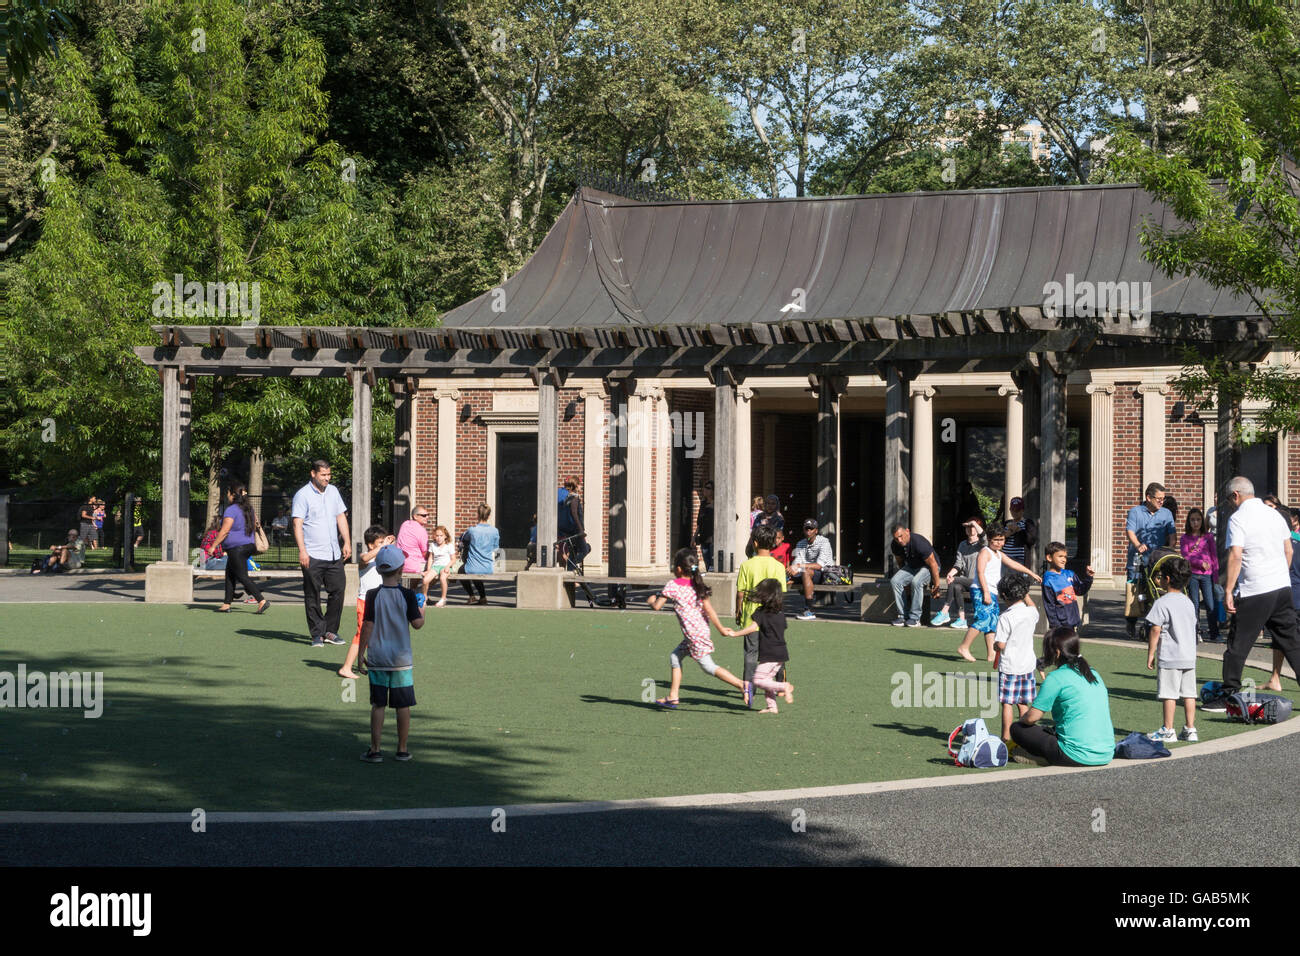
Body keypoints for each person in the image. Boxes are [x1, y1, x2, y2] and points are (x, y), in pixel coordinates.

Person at [1203, 477, 1300, 711]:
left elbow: (1236, 555)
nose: (1230, 504)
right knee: (1293, 643)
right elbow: (1288, 550)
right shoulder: (1275, 514)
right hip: (1281, 588)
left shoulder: (1238, 518)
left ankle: (1228, 695)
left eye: (1229, 500)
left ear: (1235, 495)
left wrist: (1228, 590)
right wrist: (1278, 574)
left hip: (1255, 589)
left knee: (1238, 644)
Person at [650, 548, 747, 708]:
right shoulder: (698, 585)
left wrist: (651, 600)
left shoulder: (673, 585)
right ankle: (673, 696)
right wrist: (721, 629)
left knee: (708, 667)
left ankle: (742, 685)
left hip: (694, 635)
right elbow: (709, 610)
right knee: (675, 657)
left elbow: (657, 606)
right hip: (699, 632)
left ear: (679, 569)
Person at [1010, 626, 1115, 767]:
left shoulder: (1055, 678)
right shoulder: (1094, 674)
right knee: (1051, 729)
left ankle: (1044, 758)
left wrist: (1023, 718)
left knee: (1017, 729)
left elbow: (1032, 718)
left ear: (1057, 653)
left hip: (1074, 755)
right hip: (1106, 753)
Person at [358, 544, 425, 762]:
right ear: (401, 569)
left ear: (378, 569)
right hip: (401, 660)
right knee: (402, 705)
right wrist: (422, 607)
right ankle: (402, 749)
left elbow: (367, 625)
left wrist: (360, 654)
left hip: (378, 657)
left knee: (378, 704)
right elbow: (417, 624)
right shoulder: (407, 595)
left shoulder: (372, 595)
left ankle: (375, 749)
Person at [957, 527, 1041, 662]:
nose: (999, 543)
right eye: (996, 540)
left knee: (992, 622)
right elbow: (980, 572)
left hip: (992, 591)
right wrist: (985, 592)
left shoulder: (999, 554)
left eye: (1002, 540)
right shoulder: (985, 552)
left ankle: (991, 653)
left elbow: (1013, 564)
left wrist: (1031, 573)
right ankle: (964, 647)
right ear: (989, 540)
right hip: (981, 590)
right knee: (983, 619)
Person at [292, 460, 351, 648]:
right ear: (313, 474)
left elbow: (340, 516)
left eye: (328, 475)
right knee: (312, 594)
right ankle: (317, 634)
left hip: (333, 554)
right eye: (323, 475)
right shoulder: (302, 495)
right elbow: (297, 524)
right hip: (312, 554)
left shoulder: (333, 491)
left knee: (338, 591)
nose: (327, 478)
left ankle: (330, 631)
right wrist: (302, 551)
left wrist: (347, 541)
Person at [1143, 556, 1199, 743]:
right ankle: (1190, 729)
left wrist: (1151, 653)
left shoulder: (1162, 602)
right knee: (1189, 693)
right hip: (1189, 656)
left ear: (1166, 579)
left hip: (1170, 656)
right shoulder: (1189, 602)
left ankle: (1168, 729)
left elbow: (1155, 629)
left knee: (1169, 694)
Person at [735, 525, 787, 704]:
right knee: (775, 649)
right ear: (773, 543)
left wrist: (738, 610)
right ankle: (780, 682)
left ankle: (748, 689)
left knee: (750, 653)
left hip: (751, 616)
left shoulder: (746, 565)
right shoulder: (779, 566)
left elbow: (741, 593)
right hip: (773, 616)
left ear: (755, 543)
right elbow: (781, 593)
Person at [729, 578, 794, 714]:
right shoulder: (780, 613)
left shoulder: (761, 612)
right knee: (767, 680)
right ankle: (772, 707)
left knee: (758, 680)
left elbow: (753, 628)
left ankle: (784, 686)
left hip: (770, 654)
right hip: (781, 654)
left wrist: (735, 634)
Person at [1124, 482, 1176, 639]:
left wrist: (1170, 550)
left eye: (1163, 498)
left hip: (1157, 561)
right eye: (1158, 498)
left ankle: (1152, 626)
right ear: (1148, 497)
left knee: (1155, 593)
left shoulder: (1166, 513)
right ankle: (1131, 621)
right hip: (1137, 560)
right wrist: (1138, 545)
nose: (1161, 501)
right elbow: (1130, 531)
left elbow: (1172, 535)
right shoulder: (1135, 512)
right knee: (1134, 592)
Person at [994, 573, 1040, 748]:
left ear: (1004, 596)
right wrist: (1025, 592)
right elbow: (1032, 604)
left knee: (1007, 703)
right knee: (1023, 702)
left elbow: (1001, 644)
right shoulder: (1031, 613)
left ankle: (1006, 738)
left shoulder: (1005, 617)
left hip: (1010, 667)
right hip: (1028, 665)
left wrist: (995, 648)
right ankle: (1027, 737)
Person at [210, 481, 269, 615]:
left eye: (228, 493)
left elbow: (225, 530)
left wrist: (213, 546)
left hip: (237, 548)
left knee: (242, 576)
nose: (227, 495)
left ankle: (261, 600)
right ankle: (226, 603)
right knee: (230, 574)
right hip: (248, 545)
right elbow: (254, 525)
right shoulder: (248, 509)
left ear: (232, 494)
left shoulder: (231, 510)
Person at [341, 525, 392, 680]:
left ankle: (373, 663)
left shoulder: (381, 558)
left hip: (379, 602)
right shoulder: (365, 557)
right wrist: (383, 547)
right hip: (366, 602)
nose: (383, 545)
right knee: (361, 634)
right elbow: (364, 558)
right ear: (371, 545)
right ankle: (346, 667)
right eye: (380, 542)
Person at [1264, 505, 1300, 691]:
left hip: (1287, 596)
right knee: (1281, 639)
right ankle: (1275, 677)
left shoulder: (1278, 544)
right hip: (1291, 596)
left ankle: (1276, 677)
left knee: (1286, 640)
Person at [930, 519, 984, 629]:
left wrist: (974, 523)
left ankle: (944, 611)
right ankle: (962, 619)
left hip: (979, 581)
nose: (970, 529)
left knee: (954, 580)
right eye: (967, 527)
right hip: (966, 581)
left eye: (972, 526)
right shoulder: (962, 545)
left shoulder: (982, 545)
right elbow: (958, 564)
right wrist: (950, 574)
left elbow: (984, 537)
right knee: (956, 586)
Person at [888, 524, 941, 628]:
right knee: (895, 581)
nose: (899, 540)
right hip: (912, 567)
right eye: (896, 538)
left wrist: (936, 586)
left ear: (907, 531)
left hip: (929, 568)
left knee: (916, 581)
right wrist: (904, 581)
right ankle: (902, 616)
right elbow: (901, 563)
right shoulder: (895, 545)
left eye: (901, 536)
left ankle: (915, 618)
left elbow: (933, 564)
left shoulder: (919, 543)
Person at [1180, 507, 1220, 643]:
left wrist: (1215, 575)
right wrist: (1199, 563)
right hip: (1192, 575)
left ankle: (1214, 632)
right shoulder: (1185, 538)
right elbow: (1186, 557)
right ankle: (1195, 631)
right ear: (1188, 522)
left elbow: (1214, 556)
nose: (1195, 522)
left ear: (1202, 521)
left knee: (1210, 604)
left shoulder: (1208, 537)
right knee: (1194, 604)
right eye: (1192, 520)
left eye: (1198, 519)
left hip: (1207, 575)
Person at [1041, 541, 1094, 633]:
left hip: (1073, 622)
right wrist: (1055, 626)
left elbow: (1080, 590)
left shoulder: (1069, 574)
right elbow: (1049, 606)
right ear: (1049, 558)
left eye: (1065, 557)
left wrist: (1089, 577)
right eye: (1060, 556)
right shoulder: (1048, 580)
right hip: (1060, 626)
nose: (1064, 560)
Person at [790, 519, 835, 621]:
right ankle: (772, 609)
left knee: (805, 572)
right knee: (785, 577)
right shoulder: (800, 543)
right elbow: (796, 563)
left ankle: (809, 610)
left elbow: (819, 566)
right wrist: (792, 570)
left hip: (825, 575)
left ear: (816, 530)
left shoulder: (824, 542)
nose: (808, 531)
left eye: (811, 529)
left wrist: (799, 566)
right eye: (806, 529)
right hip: (806, 573)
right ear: (803, 530)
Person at [459, 503, 500, 605]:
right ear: (489, 516)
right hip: (487, 566)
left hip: (472, 567)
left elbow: (463, 539)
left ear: (477, 515)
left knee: (461, 571)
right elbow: (496, 548)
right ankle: (482, 597)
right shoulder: (495, 531)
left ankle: (472, 596)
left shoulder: (472, 530)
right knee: (475, 570)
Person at [556, 477, 591, 570]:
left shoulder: (567, 497)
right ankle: (571, 567)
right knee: (585, 549)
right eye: (579, 484)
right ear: (575, 485)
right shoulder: (574, 498)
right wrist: (581, 531)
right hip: (576, 531)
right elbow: (574, 514)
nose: (580, 486)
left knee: (574, 553)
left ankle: (570, 576)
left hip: (569, 530)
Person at [423, 525, 455, 608]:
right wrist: (428, 570)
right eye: (437, 536)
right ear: (434, 536)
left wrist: (448, 567)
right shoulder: (433, 545)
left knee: (442, 578)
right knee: (425, 580)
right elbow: (430, 558)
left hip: (445, 566)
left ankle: (443, 598)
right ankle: (424, 597)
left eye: (441, 536)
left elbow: (453, 559)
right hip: (435, 567)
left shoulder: (449, 545)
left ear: (445, 536)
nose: (439, 538)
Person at [1000, 496, 1037, 567]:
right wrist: (1005, 535)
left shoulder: (1028, 523)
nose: (1015, 512)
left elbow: (1031, 540)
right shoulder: (1006, 523)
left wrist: (1018, 529)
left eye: (1017, 510)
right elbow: (998, 538)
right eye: (1013, 510)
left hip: (1020, 560)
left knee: (1019, 578)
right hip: (1005, 559)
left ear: (1022, 510)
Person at [395, 506, 431, 579]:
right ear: (415, 516)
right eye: (424, 515)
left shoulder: (404, 524)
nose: (427, 517)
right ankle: (415, 589)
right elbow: (424, 552)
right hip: (415, 566)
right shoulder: (421, 530)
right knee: (437, 566)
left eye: (428, 515)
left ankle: (410, 589)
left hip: (399, 563)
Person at [694, 482, 715, 571]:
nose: (705, 490)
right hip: (703, 538)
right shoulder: (703, 504)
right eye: (704, 487)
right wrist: (694, 537)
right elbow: (699, 522)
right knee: (707, 565)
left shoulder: (718, 504)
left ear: (713, 491)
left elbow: (734, 517)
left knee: (713, 565)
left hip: (713, 540)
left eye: (708, 488)